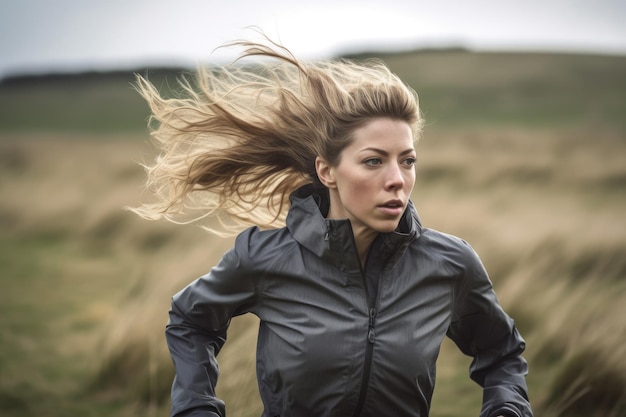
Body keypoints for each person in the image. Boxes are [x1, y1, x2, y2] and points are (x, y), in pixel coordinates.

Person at [132, 38, 533, 417]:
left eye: (407, 161)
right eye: (374, 161)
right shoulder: (266, 256)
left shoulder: (449, 264)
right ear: (327, 170)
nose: (397, 179)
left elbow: (502, 353)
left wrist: (507, 408)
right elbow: (190, 320)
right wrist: (196, 405)